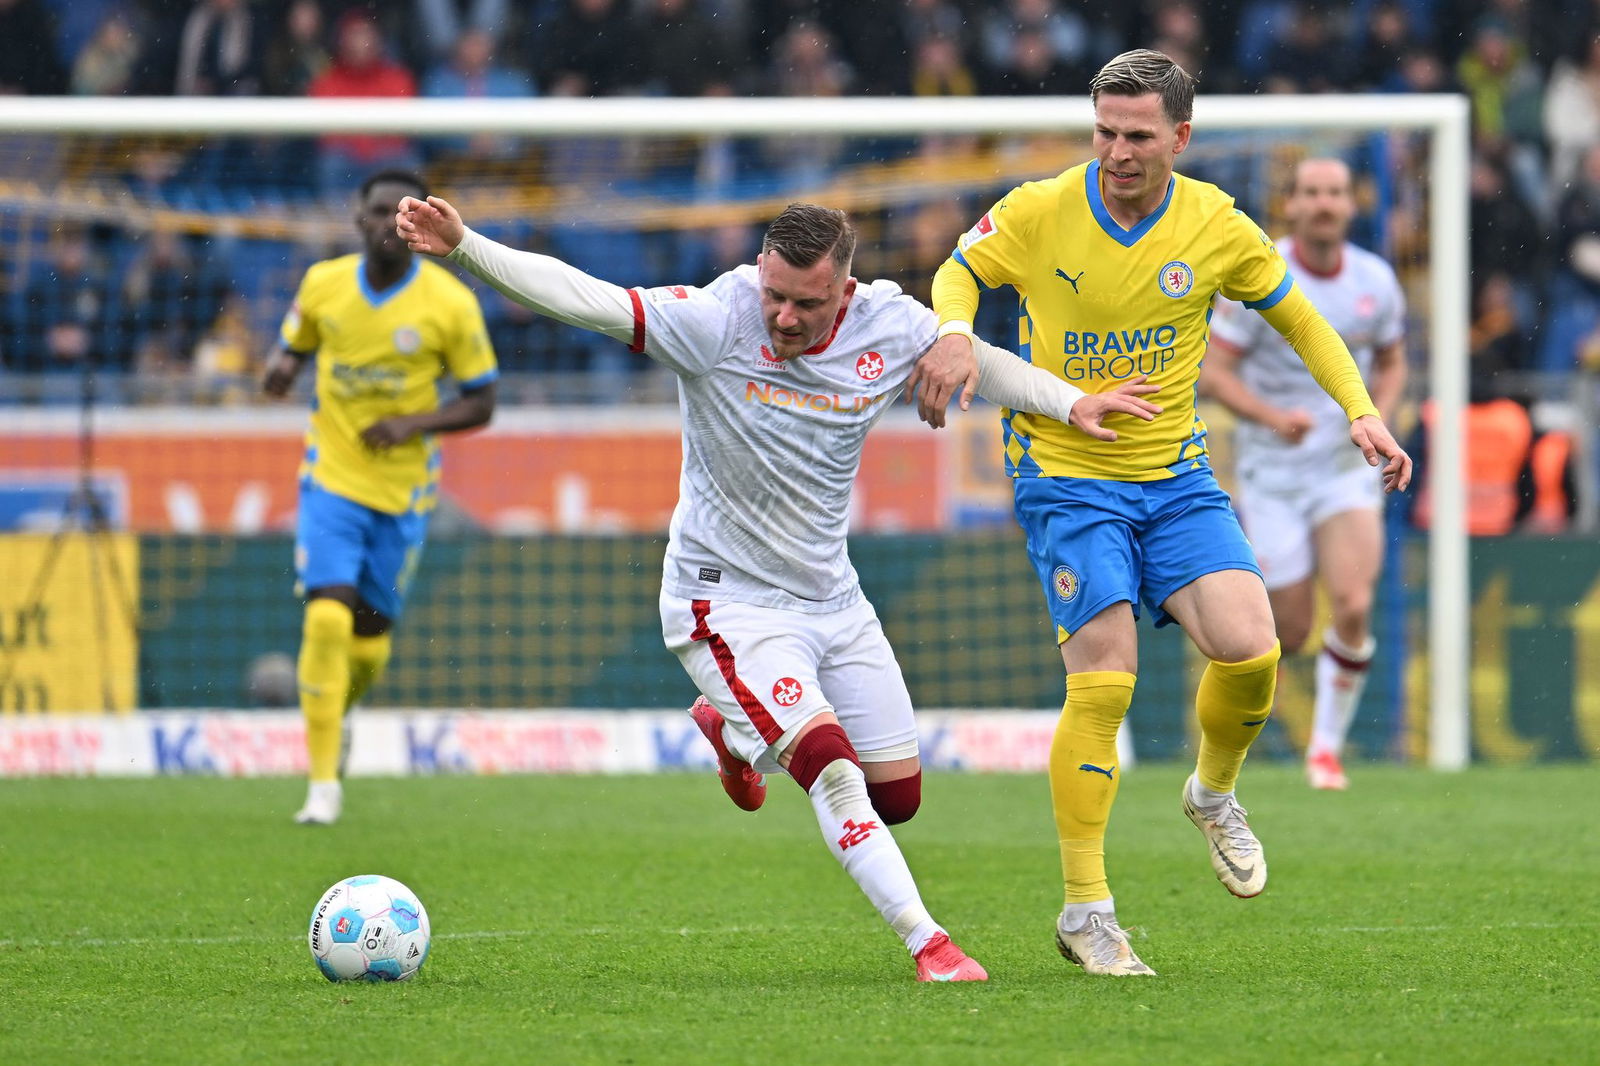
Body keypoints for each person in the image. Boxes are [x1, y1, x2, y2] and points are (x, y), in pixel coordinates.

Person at [396, 194, 1161, 982]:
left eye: (807, 302)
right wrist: (465, 248)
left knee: (895, 797)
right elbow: (581, 296)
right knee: (830, 766)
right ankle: (931, 946)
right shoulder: (716, 319)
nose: (785, 318)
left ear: (847, 289)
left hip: (834, 598)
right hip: (723, 599)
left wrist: (1066, 399)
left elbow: (973, 362)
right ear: (758, 273)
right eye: (775, 295)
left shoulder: (890, 325)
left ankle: (732, 733)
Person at [915, 49, 1412, 976]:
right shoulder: (1040, 208)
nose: (1116, 152)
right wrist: (952, 332)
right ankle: (1086, 910)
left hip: (1176, 477)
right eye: (1104, 131)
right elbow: (957, 271)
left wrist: (1361, 410)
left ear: (1180, 136)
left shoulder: (1215, 224)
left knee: (1254, 648)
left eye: (1138, 136)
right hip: (1066, 474)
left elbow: (1301, 319)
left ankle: (1213, 795)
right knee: (1106, 682)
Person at [262, 171, 498, 826]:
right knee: (326, 618)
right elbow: (292, 347)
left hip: (404, 492)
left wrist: (409, 425)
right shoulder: (323, 284)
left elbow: (483, 400)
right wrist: (279, 370)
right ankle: (321, 786)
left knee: (367, 644)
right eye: (375, 212)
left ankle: (338, 708)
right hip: (331, 478)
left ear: (417, 224)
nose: (386, 225)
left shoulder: (448, 304)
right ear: (357, 218)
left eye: (401, 215)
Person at [1200, 158, 1408, 792]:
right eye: (1312, 193)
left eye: (1336, 193)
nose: (1324, 203)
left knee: (1353, 601)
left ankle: (1325, 749)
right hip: (1272, 472)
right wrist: (1270, 416)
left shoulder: (1376, 280)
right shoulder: (1258, 274)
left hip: (1345, 467)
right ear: (1290, 204)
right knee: (1286, 628)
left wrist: (1375, 416)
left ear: (1353, 204)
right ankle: (1232, 742)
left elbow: (1394, 360)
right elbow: (1214, 373)